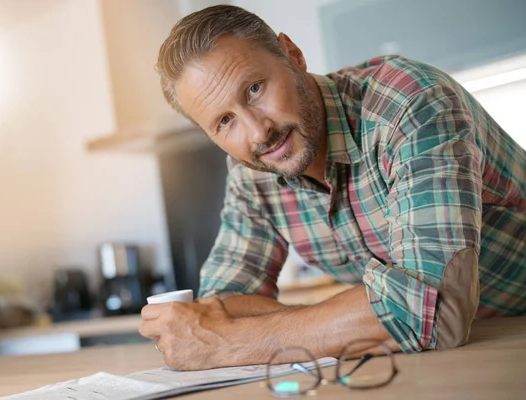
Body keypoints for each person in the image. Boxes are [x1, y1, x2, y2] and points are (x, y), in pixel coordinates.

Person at [139, 5, 526, 371]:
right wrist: (363, 316)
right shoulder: (252, 173)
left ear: (292, 54)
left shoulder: (409, 104)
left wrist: (232, 341)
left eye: (255, 89)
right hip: (463, 352)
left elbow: (437, 313)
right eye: (224, 121)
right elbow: (222, 307)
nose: (258, 132)